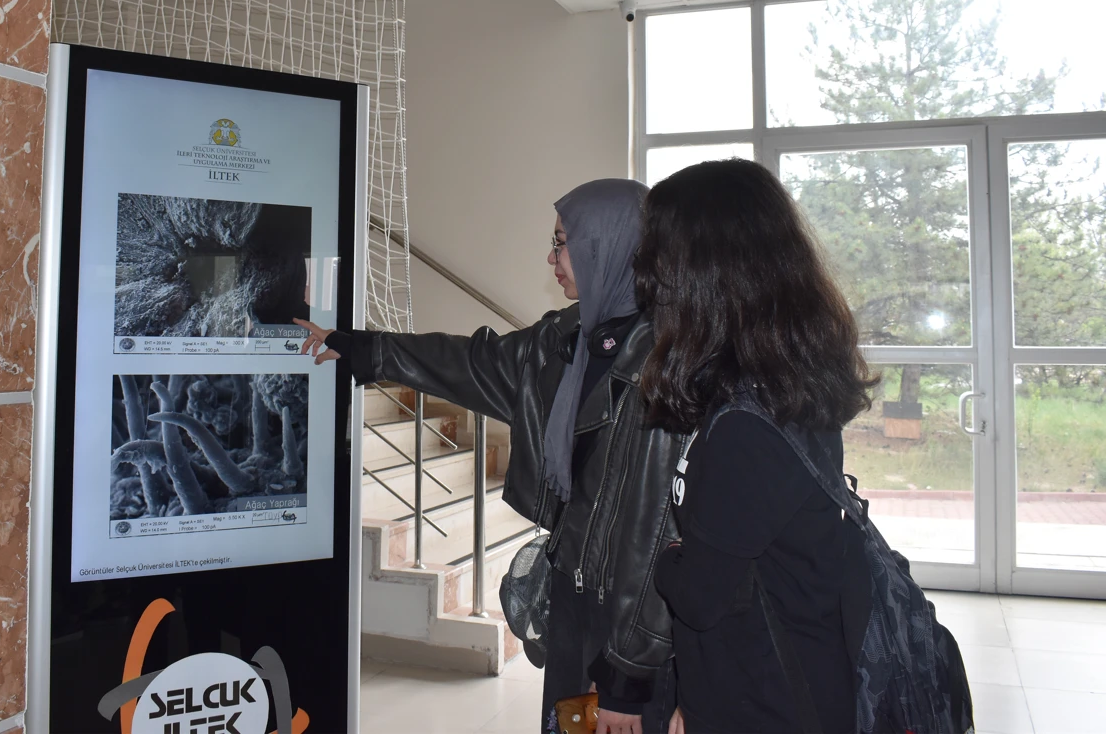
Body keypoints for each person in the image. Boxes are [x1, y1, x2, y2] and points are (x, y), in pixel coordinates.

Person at [296, 178, 682, 734]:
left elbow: (655, 536)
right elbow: (473, 362)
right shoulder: (564, 341)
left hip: (628, 628)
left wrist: (627, 676)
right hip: (574, 600)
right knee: (567, 725)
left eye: (562, 242)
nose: (550, 258)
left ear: (610, 246)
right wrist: (365, 348)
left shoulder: (668, 366)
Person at [636, 159, 877, 734]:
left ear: (704, 272)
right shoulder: (775, 389)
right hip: (771, 681)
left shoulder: (750, 423)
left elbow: (699, 594)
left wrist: (667, 556)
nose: (648, 272)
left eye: (660, 253)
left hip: (773, 700)